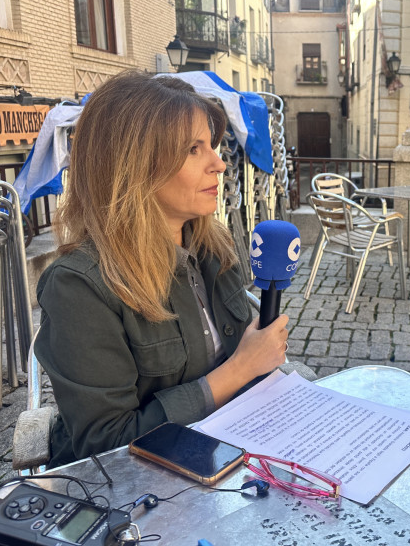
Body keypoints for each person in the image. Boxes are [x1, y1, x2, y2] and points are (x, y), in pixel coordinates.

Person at [35, 71, 289, 467]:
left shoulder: (212, 248)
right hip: (142, 492)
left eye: (212, 146)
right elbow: (104, 444)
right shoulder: (79, 286)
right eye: (193, 149)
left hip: (229, 457)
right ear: (132, 165)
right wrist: (240, 369)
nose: (219, 164)